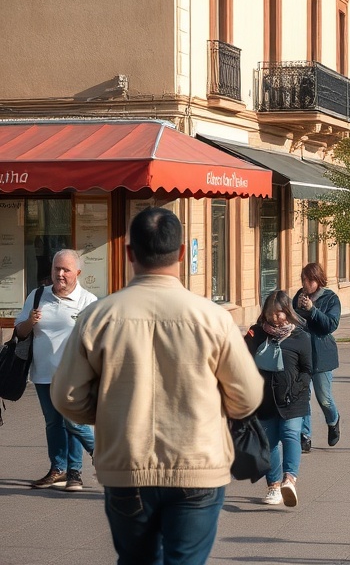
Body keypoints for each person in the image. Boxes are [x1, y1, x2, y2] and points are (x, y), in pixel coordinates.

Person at [51, 207, 263, 564]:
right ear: (181, 253)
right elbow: (248, 396)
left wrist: (109, 411)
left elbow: (65, 396)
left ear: (130, 254)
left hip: (127, 465)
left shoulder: (98, 316)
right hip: (198, 465)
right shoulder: (212, 317)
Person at [14, 250, 98, 491]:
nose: (60, 274)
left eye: (66, 270)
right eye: (56, 269)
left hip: (75, 375)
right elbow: (20, 333)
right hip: (42, 374)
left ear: (78, 273)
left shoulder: (88, 301)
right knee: (53, 423)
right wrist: (30, 321)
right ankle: (60, 470)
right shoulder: (37, 295)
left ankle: (89, 463)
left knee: (73, 423)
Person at [246, 291, 312, 507]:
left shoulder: (300, 336)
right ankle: (273, 486)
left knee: (291, 434)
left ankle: (289, 480)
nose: (275, 318)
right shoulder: (255, 334)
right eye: (271, 314)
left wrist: (298, 388)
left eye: (280, 313)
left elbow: (307, 369)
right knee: (269, 442)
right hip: (264, 399)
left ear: (288, 312)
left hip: (293, 398)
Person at [292, 262, 341, 453]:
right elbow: (292, 319)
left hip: (321, 355)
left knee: (325, 399)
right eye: (303, 280)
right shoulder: (299, 296)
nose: (305, 284)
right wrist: (294, 311)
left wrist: (312, 310)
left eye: (309, 280)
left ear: (318, 280)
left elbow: (330, 325)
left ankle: (333, 421)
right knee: (303, 397)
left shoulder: (331, 298)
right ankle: (305, 436)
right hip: (301, 355)